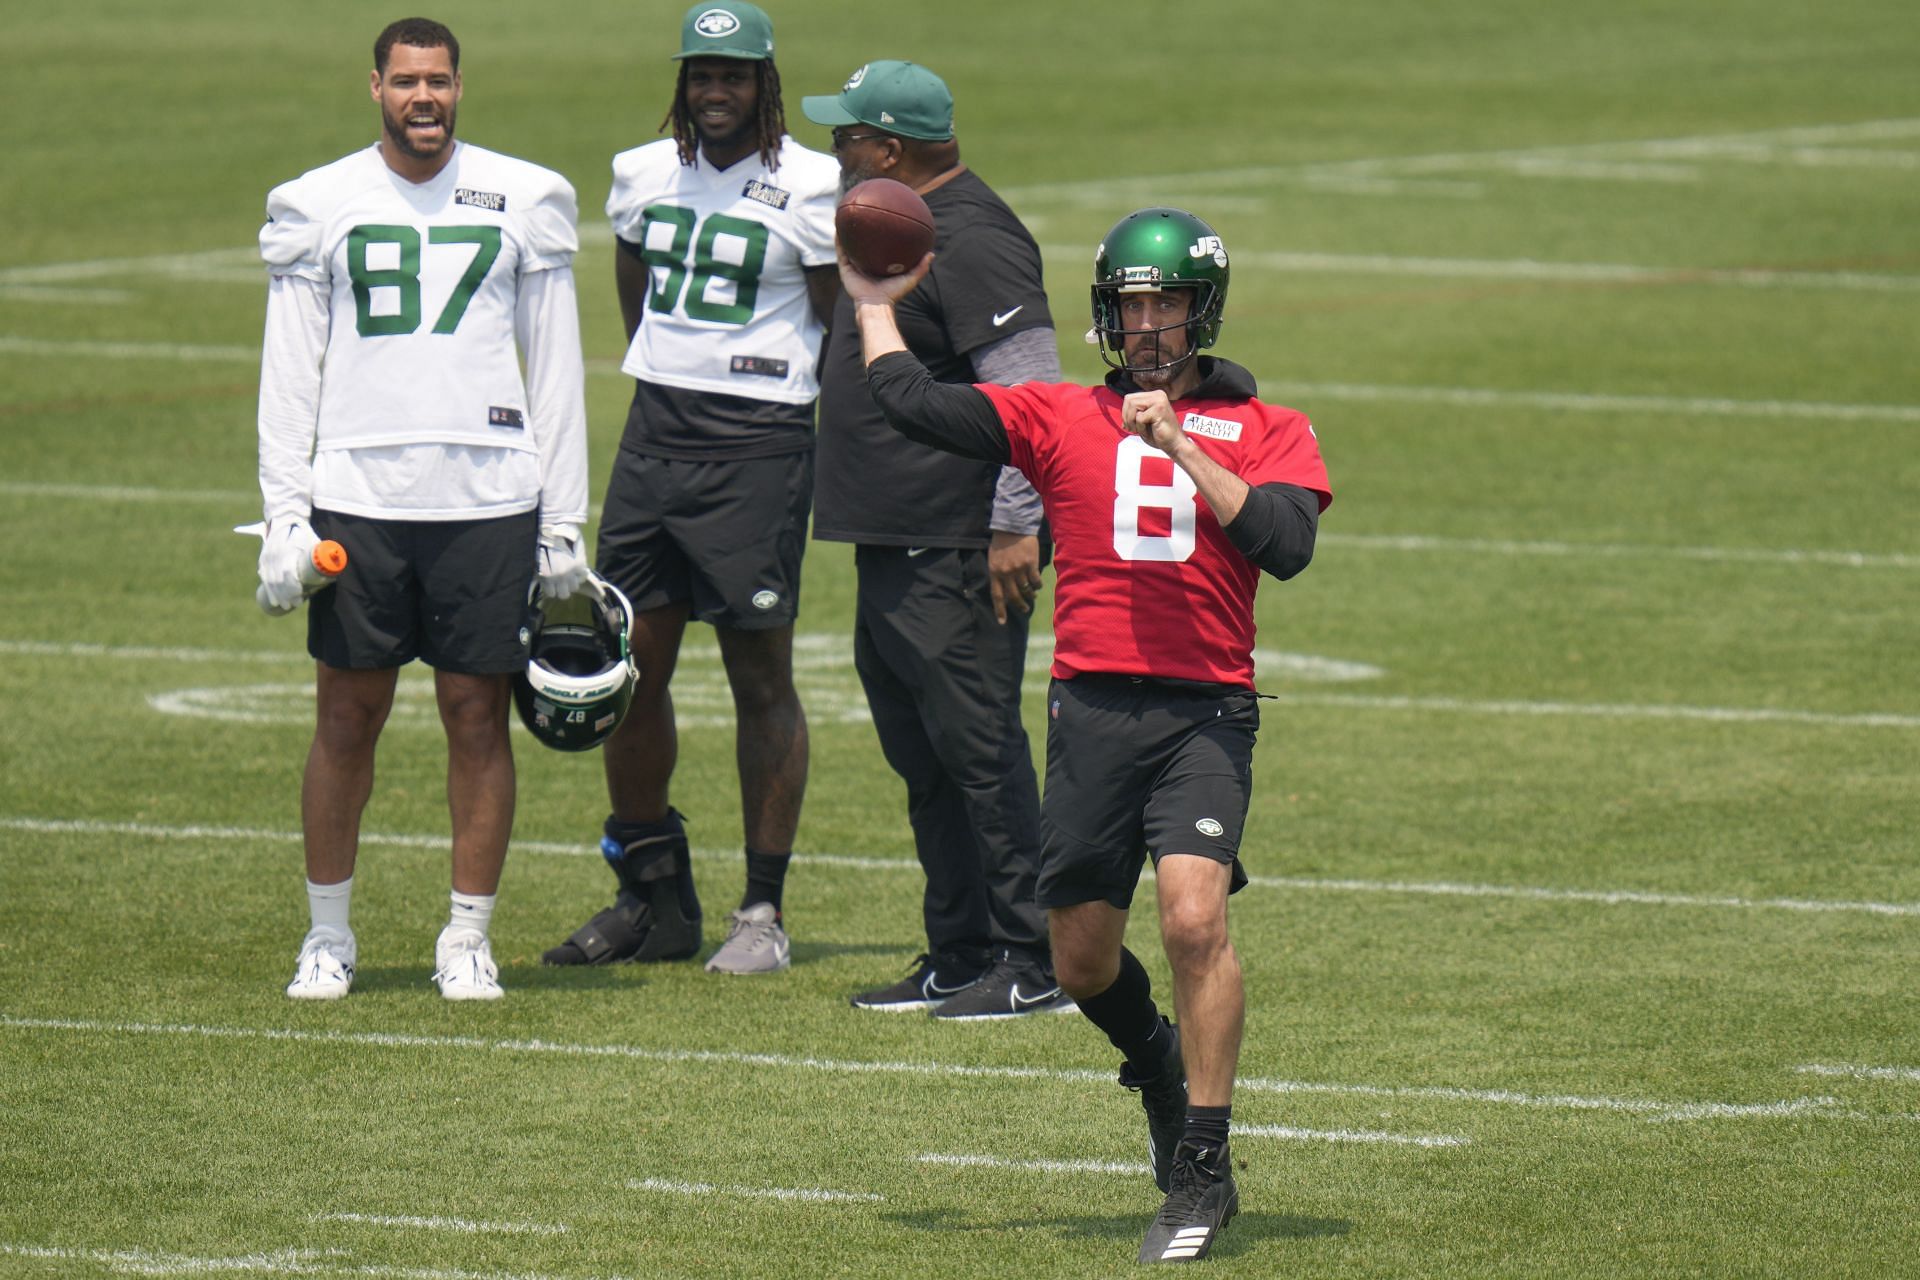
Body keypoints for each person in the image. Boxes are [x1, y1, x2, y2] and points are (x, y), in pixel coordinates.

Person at [843, 207, 1331, 1262]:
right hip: (1092, 709)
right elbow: (911, 403)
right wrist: (874, 301)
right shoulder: (1057, 412)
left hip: (1205, 710)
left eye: (1166, 303)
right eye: (1131, 304)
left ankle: (1202, 1163)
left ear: (1202, 311)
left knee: (1194, 917)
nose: (1148, 323)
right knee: (1079, 961)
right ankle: (1154, 1060)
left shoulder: (1270, 425)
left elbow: (1286, 542)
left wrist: (1185, 449)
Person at [256, 18, 590, 1003]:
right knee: (346, 715)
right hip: (358, 494)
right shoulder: (320, 202)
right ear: (375, 88)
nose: (424, 98)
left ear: (459, 86)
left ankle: (468, 935)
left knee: (476, 712)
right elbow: (290, 363)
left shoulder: (523, 196)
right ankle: (327, 936)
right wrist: (284, 508)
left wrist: (563, 518)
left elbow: (557, 364)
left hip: (489, 496)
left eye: (439, 81)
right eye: (406, 82)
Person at [541, 1, 839, 976]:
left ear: (766, 83)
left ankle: (762, 908)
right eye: (702, 76)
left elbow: (834, 321)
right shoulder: (640, 172)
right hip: (656, 437)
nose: (717, 93)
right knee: (625, 670)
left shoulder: (814, 183)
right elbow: (633, 286)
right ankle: (653, 897)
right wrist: (671, 361)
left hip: (757, 447)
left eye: (735, 77)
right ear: (684, 81)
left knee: (760, 676)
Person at [797, 61, 1067, 1020]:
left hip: (959, 542)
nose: (836, 155)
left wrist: (1012, 523)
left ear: (891, 148)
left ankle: (1031, 957)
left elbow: (1029, 393)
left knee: (980, 750)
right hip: (895, 536)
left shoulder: (975, 238)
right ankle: (957, 948)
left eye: (846, 140)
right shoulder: (897, 229)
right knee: (923, 756)